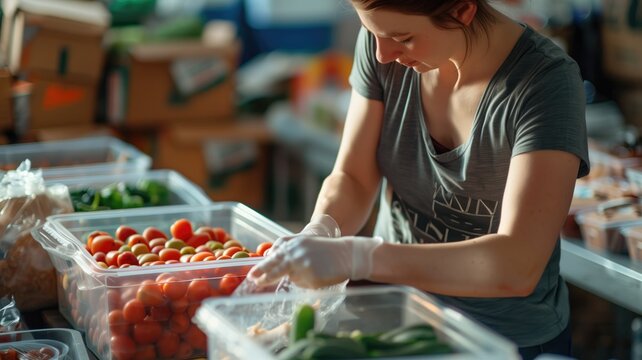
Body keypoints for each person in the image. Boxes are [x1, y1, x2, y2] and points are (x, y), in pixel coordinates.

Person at [247, 1, 589, 358]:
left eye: (404, 38)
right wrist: (321, 229)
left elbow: (517, 265)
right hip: (395, 317)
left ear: (462, 11)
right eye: (374, 34)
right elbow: (354, 176)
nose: (382, 54)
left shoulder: (546, 83)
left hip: (502, 340)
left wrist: (358, 257)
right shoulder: (385, 47)